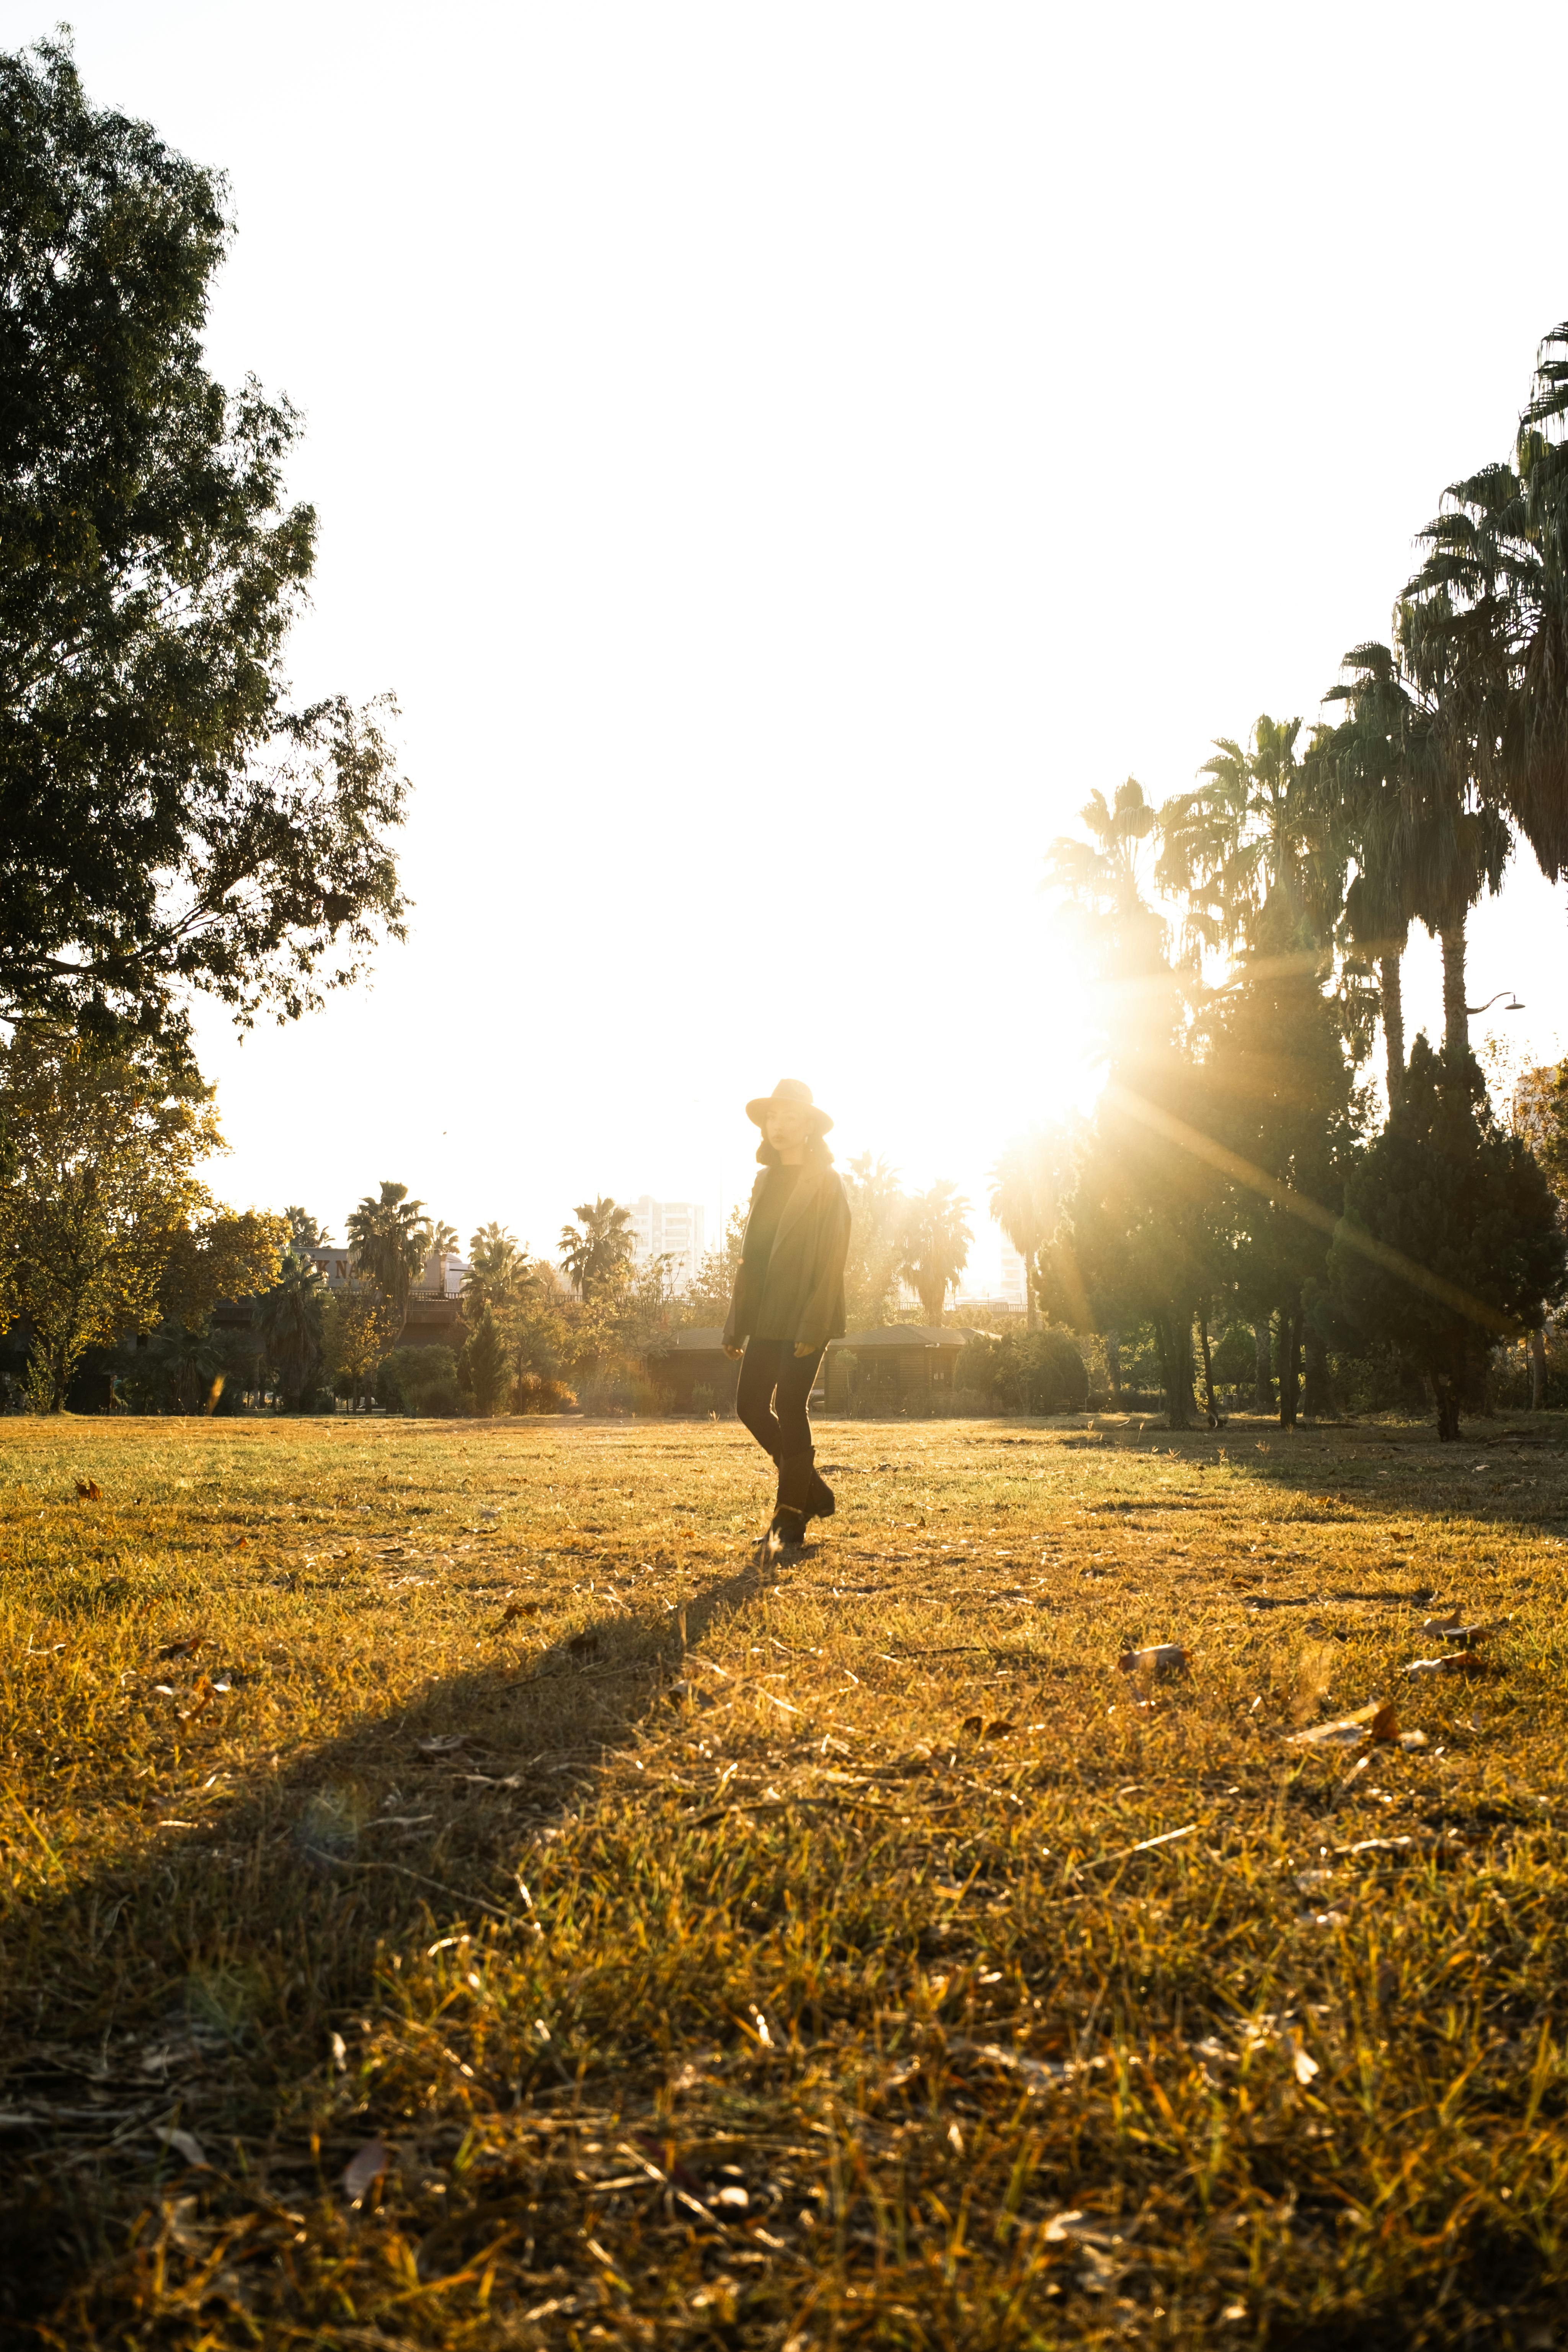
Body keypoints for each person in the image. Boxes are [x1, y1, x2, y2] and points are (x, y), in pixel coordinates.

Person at [723, 1078, 852, 1549]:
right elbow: (751, 1255)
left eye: (789, 1117)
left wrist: (814, 1323)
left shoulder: (827, 1183)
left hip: (805, 1313)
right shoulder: (763, 1180)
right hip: (764, 1316)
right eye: (772, 1117)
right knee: (750, 1406)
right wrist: (737, 1322)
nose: (778, 1125)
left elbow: (832, 1257)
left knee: (792, 1406)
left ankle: (790, 1518)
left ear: (809, 1128)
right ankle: (811, 1488)